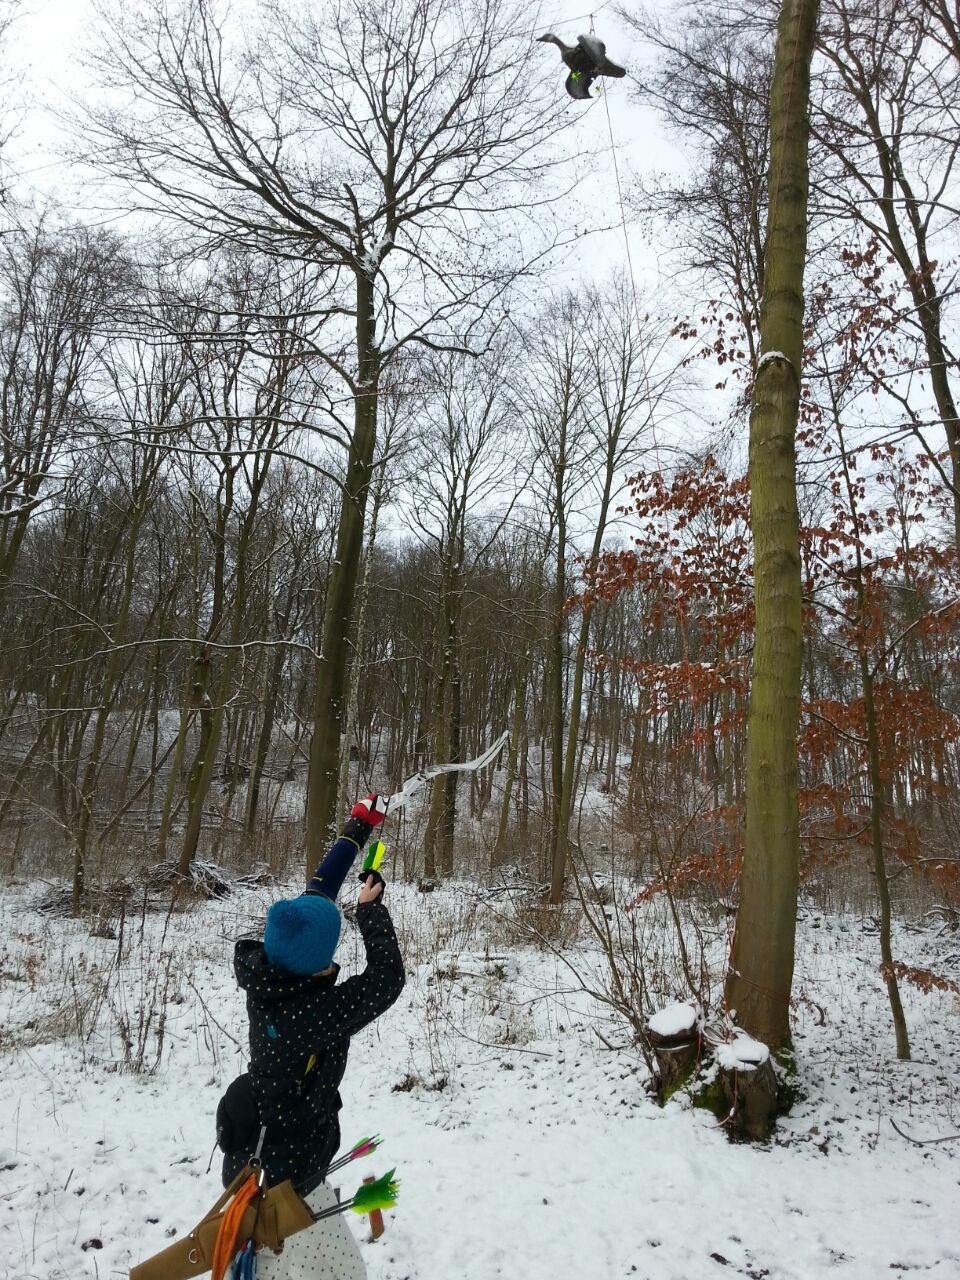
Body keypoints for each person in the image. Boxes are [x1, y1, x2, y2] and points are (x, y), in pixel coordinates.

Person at [219, 794, 405, 1280]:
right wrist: (370, 913)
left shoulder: (271, 967)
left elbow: (320, 889)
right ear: (319, 962)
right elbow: (386, 981)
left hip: (268, 1156)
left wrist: (360, 825)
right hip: (290, 1180)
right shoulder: (309, 1015)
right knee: (342, 1273)